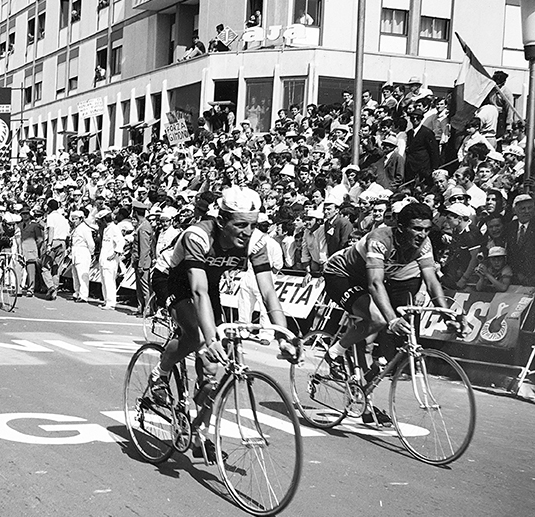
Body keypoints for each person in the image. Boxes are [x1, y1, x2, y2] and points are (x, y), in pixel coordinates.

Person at [147, 188, 296, 455]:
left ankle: (199, 432)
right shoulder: (198, 235)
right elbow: (197, 291)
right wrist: (210, 338)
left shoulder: (257, 242)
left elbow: (268, 292)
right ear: (221, 221)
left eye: (252, 224)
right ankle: (160, 373)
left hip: (209, 281)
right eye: (240, 225)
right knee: (197, 337)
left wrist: (283, 335)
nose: (247, 231)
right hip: (172, 279)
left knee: (213, 370)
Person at [322, 202, 448, 425]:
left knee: (368, 339)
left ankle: (364, 402)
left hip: (370, 277)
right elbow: (375, 284)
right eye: (417, 229)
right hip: (341, 275)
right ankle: (334, 353)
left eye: (427, 229)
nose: (423, 235)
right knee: (378, 319)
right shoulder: (380, 238)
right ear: (401, 227)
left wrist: (447, 314)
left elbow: (431, 280)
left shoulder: (424, 244)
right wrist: (393, 320)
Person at [40, 198, 70, 300]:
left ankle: (50, 286)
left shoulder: (51, 217)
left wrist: (49, 244)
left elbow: (51, 230)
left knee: (45, 267)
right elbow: (67, 233)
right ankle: (54, 292)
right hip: (63, 243)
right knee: (56, 268)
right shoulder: (63, 219)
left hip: (54, 242)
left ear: (49, 207)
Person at [131, 201, 155, 316]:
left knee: (145, 287)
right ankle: (141, 308)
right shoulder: (142, 225)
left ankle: (148, 309)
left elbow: (144, 249)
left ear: (135, 212)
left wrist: (141, 264)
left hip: (143, 262)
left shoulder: (144, 227)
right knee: (139, 287)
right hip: (138, 260)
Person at [69, 208, 95, 302]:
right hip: (75, 252)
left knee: (82, 275)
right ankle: (76, 292)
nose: (74, 221)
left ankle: (84, 295)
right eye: (73, 219)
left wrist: (91, 253)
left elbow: (91, 243)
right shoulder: (75, 229)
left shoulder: (85, 229)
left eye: (76, 219)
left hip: (83, 252)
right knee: (75, 274)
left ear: (81, 219)